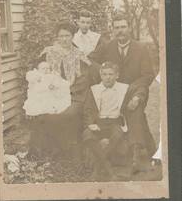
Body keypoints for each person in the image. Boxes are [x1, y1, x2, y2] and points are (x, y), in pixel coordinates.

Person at [89, 13, 156, 172]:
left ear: (130, 28)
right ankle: (134, 149)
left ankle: (134, 155)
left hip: (134, 90)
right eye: (117, 27)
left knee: (135, 106)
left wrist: (134, 93)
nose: (120, 31)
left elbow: (148, 75)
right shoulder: (107, 46)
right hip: (113, 92)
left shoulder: (141, 48)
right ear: (113, 30)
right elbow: (90, 59)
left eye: (123, 27)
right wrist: (104, 70)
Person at [28, 21, 100, 159]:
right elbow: (37, 73)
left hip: (74, 94)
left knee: (68, 114)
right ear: (57, 37)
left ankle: (67, 149)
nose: (64, 39)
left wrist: (68, 90)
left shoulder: (78, 54)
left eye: (67, 35)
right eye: (61, 36)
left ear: (72, 36)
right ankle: (47, 150)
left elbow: (84, 77)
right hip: (49, 94)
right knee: (43, 114)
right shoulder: (48, 52)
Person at [83, 62, 130, 180]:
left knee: (117, 135)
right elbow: (88, 109)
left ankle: (98, 169)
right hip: (99, 122)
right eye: (104, 74)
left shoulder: (124, 89)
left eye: (110, 74)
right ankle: (109, 169)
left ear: (117, 75)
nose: (107, 77)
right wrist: (91, 123)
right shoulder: (94, 90)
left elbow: (127, 109)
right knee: (87, 135)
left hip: (115, 121)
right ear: (100, 76)